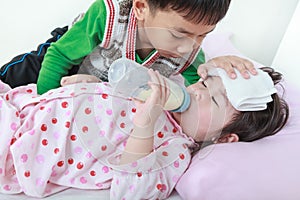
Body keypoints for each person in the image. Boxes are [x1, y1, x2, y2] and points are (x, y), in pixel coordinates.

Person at [0, 66, 288, 199]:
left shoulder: (175, 149)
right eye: (203, 84)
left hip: (24, 142)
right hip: (23, 104)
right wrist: (84, 85)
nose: (198, 92)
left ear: (224, 138)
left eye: (212, 100)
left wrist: (145, 126)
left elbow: (133, 190)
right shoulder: (167, 92)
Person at [0, 0, 257, 94]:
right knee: (17, 77)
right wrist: (48, 101)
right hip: (69, 55)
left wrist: (214, 71)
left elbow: (199, 93)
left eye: (204, 35)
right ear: (142, 8)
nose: (188, 46)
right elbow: (59, 56)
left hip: (100, 81)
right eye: (180, 34)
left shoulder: (190, 54)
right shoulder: (107, 13)